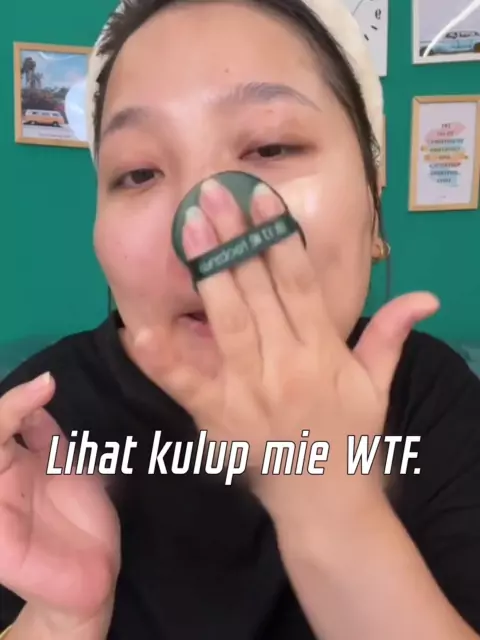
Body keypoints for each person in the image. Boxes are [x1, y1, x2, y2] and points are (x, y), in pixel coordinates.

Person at [1, 0, 479, 638]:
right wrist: (62, 620)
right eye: (138, 173)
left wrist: (331, 508)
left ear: (373, 199)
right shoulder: (34, 431)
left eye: (271, 146)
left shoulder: (433, 401)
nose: (203, 230)